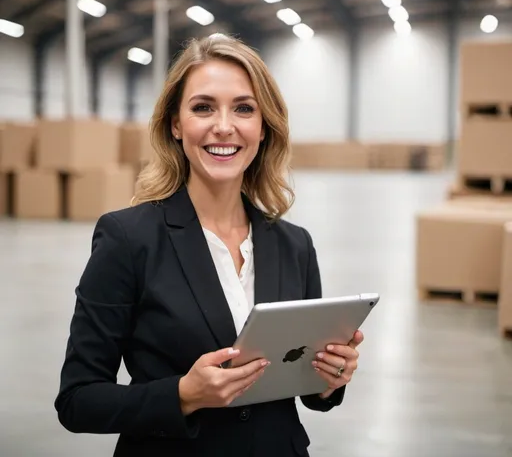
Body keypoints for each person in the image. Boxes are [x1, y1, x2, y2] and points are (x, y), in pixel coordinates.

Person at [54, 34, 364, 457]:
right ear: (176, 125)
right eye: (203, 107)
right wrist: (183, 395)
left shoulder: (295, 246)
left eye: (243, 108)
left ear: (263, 127)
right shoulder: (128, 239)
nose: (224, 125)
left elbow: (308, 392)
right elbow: (78, 401)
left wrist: (331, 378)